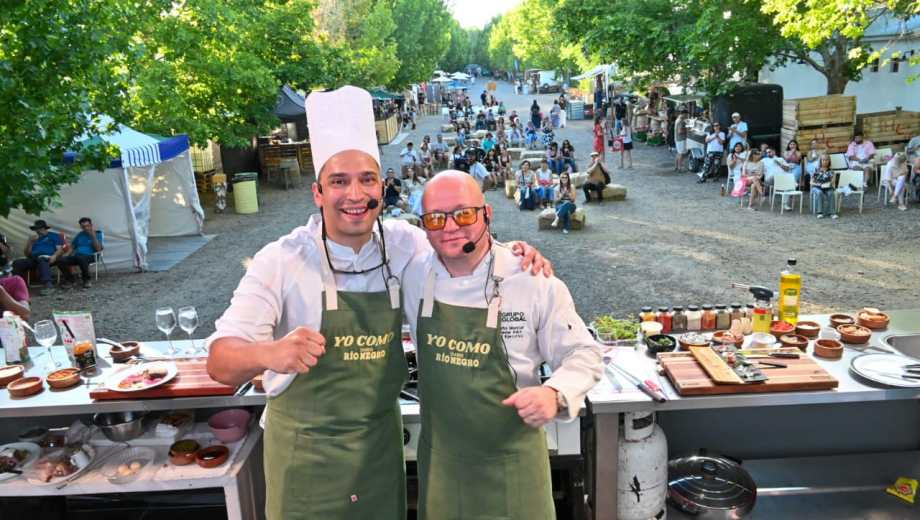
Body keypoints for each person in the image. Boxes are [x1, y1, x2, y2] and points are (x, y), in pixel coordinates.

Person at [206, 86, 549, 520]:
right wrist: (270, 353)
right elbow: (220, 361)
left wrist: (512, 252)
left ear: (382, 188)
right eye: (339, 181)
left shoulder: (403, 244)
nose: (355, 194)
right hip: (306, 464)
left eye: (367, 179)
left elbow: (465, 253)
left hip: (378, 456)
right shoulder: (281, 260)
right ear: (317, 193)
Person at [403, 171, 602, 520]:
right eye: (435, 218)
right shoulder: (414, 275)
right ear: (424, 226)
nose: (450, 227)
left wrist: (553, 392)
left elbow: (583, 353)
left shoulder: (531, 279)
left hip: (513, 465)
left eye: (463, 214)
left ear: (487, 213)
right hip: (442, 467)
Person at [12, 219, 66, 295]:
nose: (37, 231)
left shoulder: (54, 236)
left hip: (49, 257)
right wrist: (30, 242)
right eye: (36, 229)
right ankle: (18, 286)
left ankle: (48, 286)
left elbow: (60, 250)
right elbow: (27, 254)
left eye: (39, 229)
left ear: (44, 228)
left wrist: (54, 256)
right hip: (34, 259)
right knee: (17, 263)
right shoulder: (34, 239)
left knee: (42, 259)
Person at [58, 217, 104, 289]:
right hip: (77, 256)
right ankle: (71, 280)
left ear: (91, 225)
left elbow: (98, 249)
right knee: (61, 260)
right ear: (81, 227)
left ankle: (86, 280)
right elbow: (73, 246)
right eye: (83, 226)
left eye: (87, 226)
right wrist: (67, 255)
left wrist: (93, 237)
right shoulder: (80, 234)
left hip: (91, 256)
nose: (85, 228)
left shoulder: (98, 233)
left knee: (81, 257)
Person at [812, 153, 838, 219]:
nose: (825, 161)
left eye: (826, 160)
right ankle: (820, 212)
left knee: (831, 193)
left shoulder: (831, 171)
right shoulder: (816, 170)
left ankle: (832, 213)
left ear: (829, 161)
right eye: (823, 160)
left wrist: (830, 183)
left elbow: (833, 181)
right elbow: (812, 181)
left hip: (827, 187)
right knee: (819, 192)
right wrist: (818, 184)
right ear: (820, 161)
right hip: (817, 187)